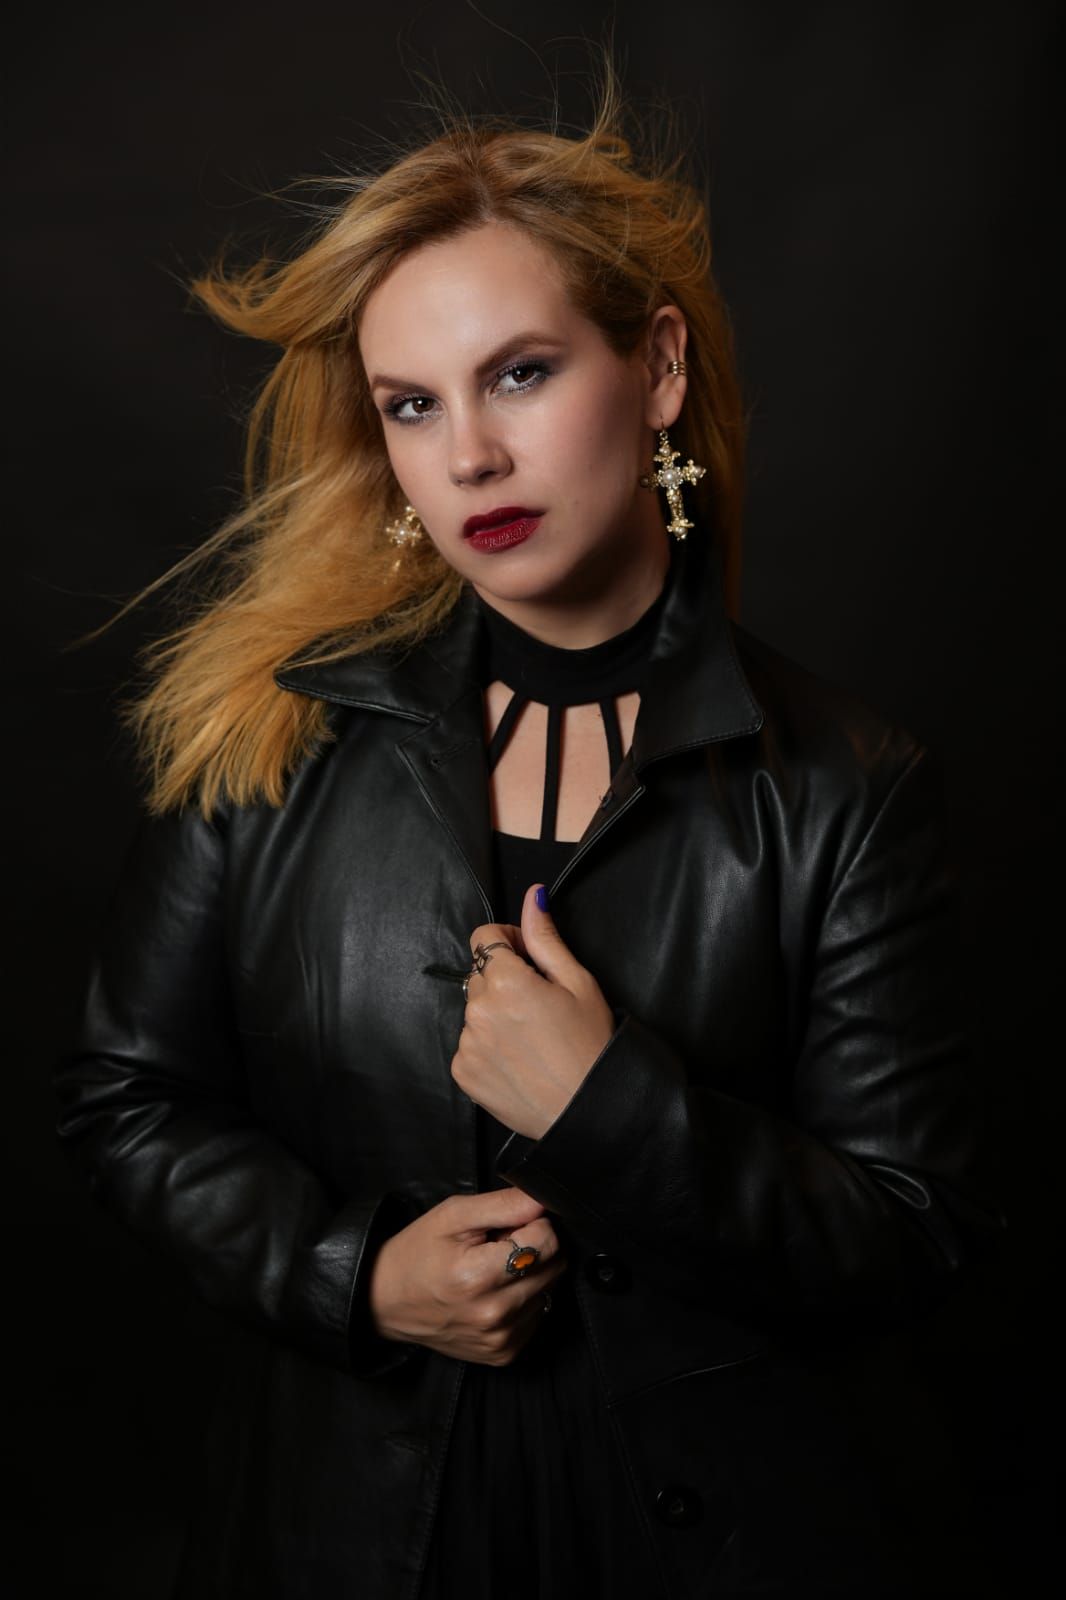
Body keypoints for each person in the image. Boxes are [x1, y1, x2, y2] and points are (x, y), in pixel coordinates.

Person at [53, 60, 1003, 1600]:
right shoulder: (276, 734)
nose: (468, 459)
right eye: (411, 406)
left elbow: (912, 1236)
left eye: (519, 374)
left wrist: (613, 1109)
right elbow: (124, 1097)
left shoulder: (844, 782)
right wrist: (357, 1277)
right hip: (351, 1523)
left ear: (659, 367)